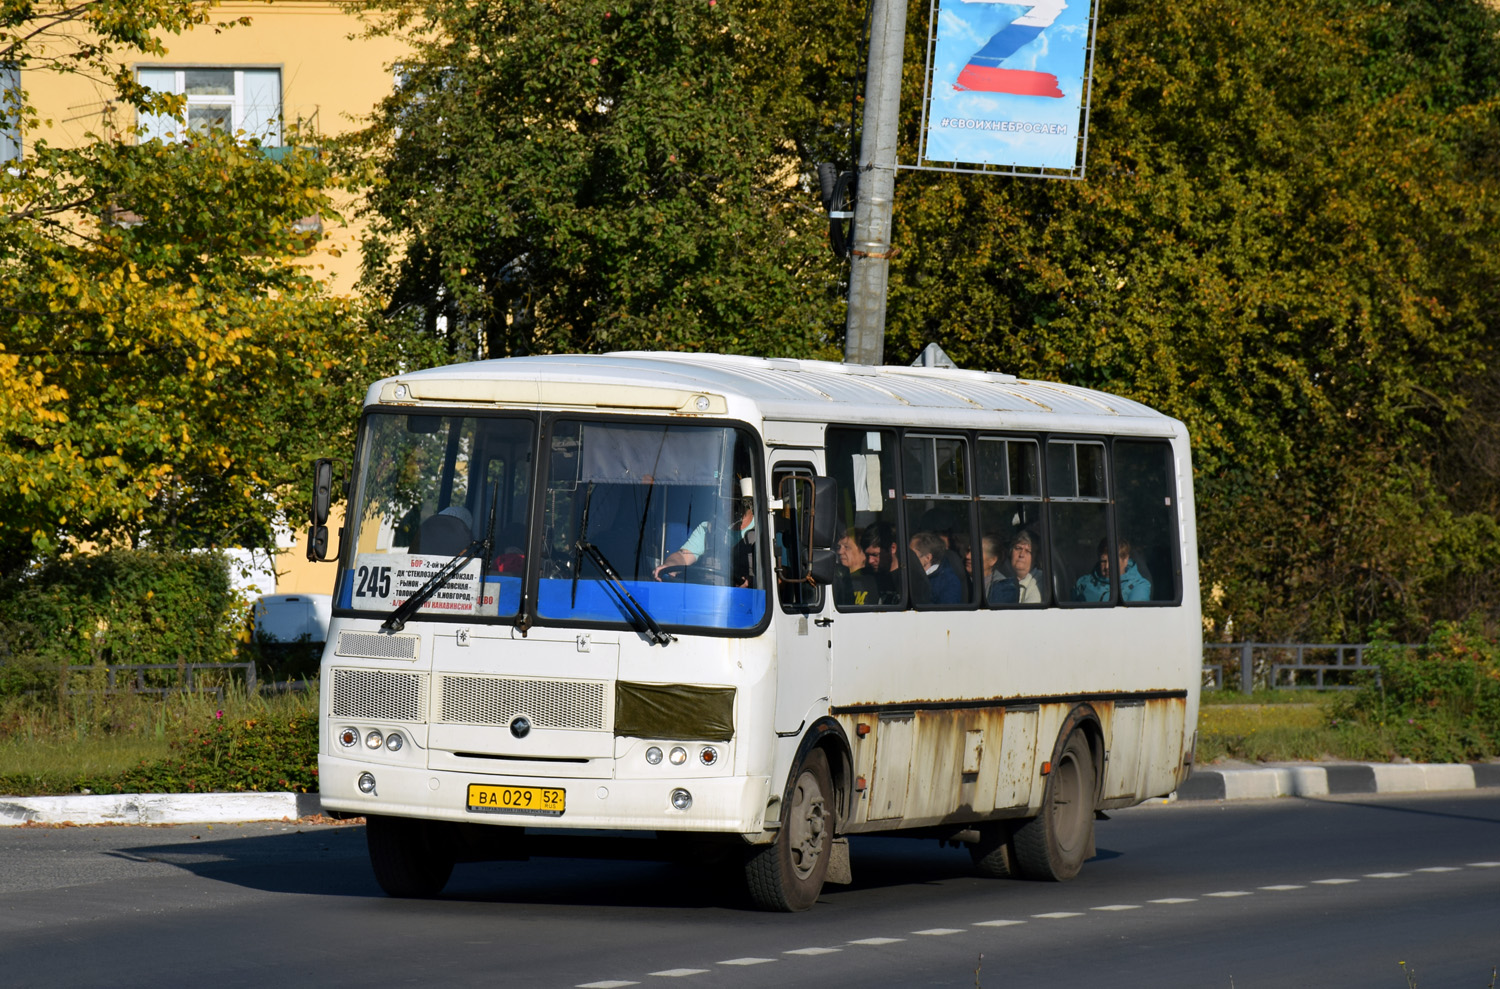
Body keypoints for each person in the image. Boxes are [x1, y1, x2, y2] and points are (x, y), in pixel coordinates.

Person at [653, 497, 755, 584]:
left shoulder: (764, 527)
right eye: (723, 496)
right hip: (712, 597)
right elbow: (683, 556)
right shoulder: (708, 529)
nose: (728, 501)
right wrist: (669, 565)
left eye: (734, 496)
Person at [1074, 537, 1151, 602]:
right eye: (1103, 561)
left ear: (1125, 560)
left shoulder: (1139, 586)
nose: (1107, 567)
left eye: (1112, 561)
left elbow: (1132, 617)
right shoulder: (1083, 582)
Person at [989, 529, 1045, 605]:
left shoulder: (1040, 579)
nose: (1021, 555)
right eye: (1018, 548)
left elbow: (1029, 613)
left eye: (1028, 551)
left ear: (1035, 558)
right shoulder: (997, 576)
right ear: (1011, 552)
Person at [910, 530, 962, 604]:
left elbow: (946, 613)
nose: (908, 558)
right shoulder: (912, 575)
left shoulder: (948, 582)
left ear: (927, 558)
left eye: (912, 555)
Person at [834, 530, 876, 606]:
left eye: (847, 547)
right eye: (839, 547)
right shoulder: (840, 580)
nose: (840, 552)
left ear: (863, 552)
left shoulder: (875, 581)